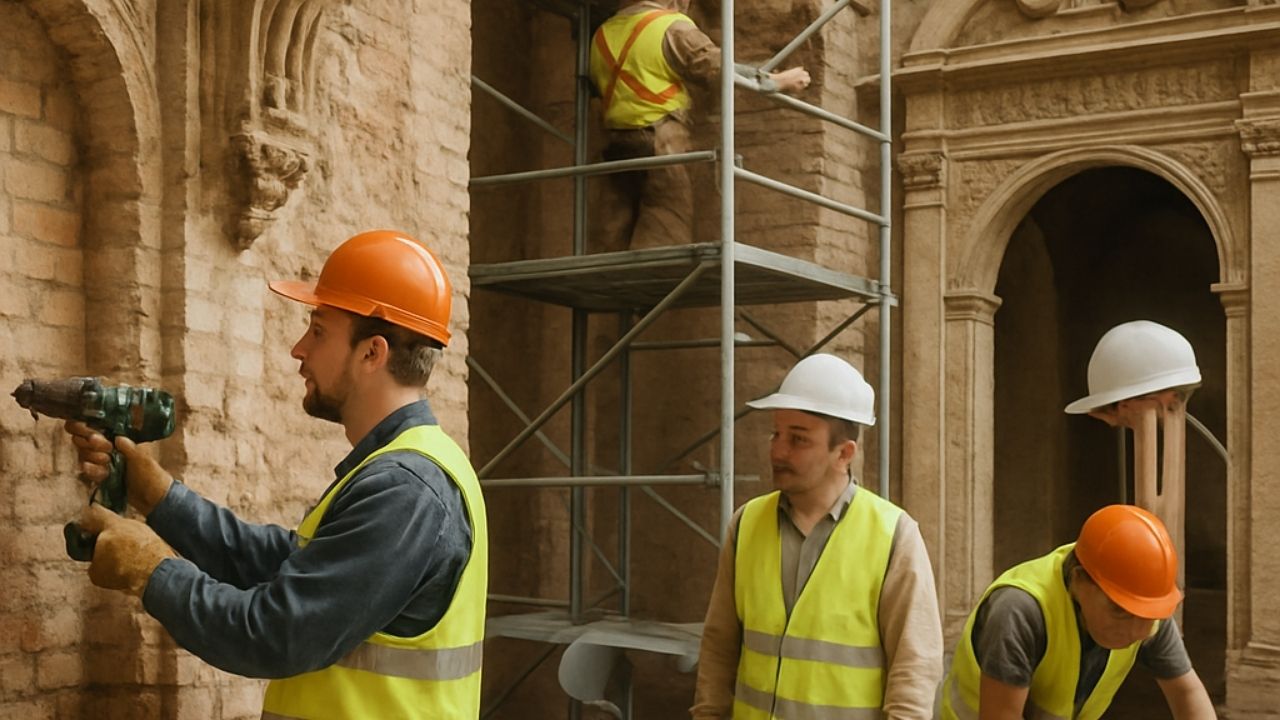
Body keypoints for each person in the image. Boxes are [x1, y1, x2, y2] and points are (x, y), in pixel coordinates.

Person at [65, 229, 489, 718]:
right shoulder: (404, 467)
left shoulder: (405, 489)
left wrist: (152, 570)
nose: (298, 349)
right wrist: (159, 496)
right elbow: (281, 563)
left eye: (319, 330)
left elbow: (276, 634)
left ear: (373, 353)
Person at [692, 353, 944, 719]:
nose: (778, 450)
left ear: (844, 453)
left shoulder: (893, 535)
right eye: (776, 433)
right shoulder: (746, 524)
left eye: (798, 439)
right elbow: (719, 647)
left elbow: (914, 670)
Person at [940, 504, 1216, 720]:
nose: (1136, 630)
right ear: (1079, 581)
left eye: (1147, 616)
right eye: (1119, 611)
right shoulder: (1018, 612)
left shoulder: (1146, 607)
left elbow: (1186, 694)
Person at [587, 0, 810, 251]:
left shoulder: (601, 35)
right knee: (666, 223)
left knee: (613, 230)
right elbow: (720, 70)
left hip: (614, 145)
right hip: (660, 141)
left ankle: (614, 286)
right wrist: (776, 81)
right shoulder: (671, 27)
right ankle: (656, 287)